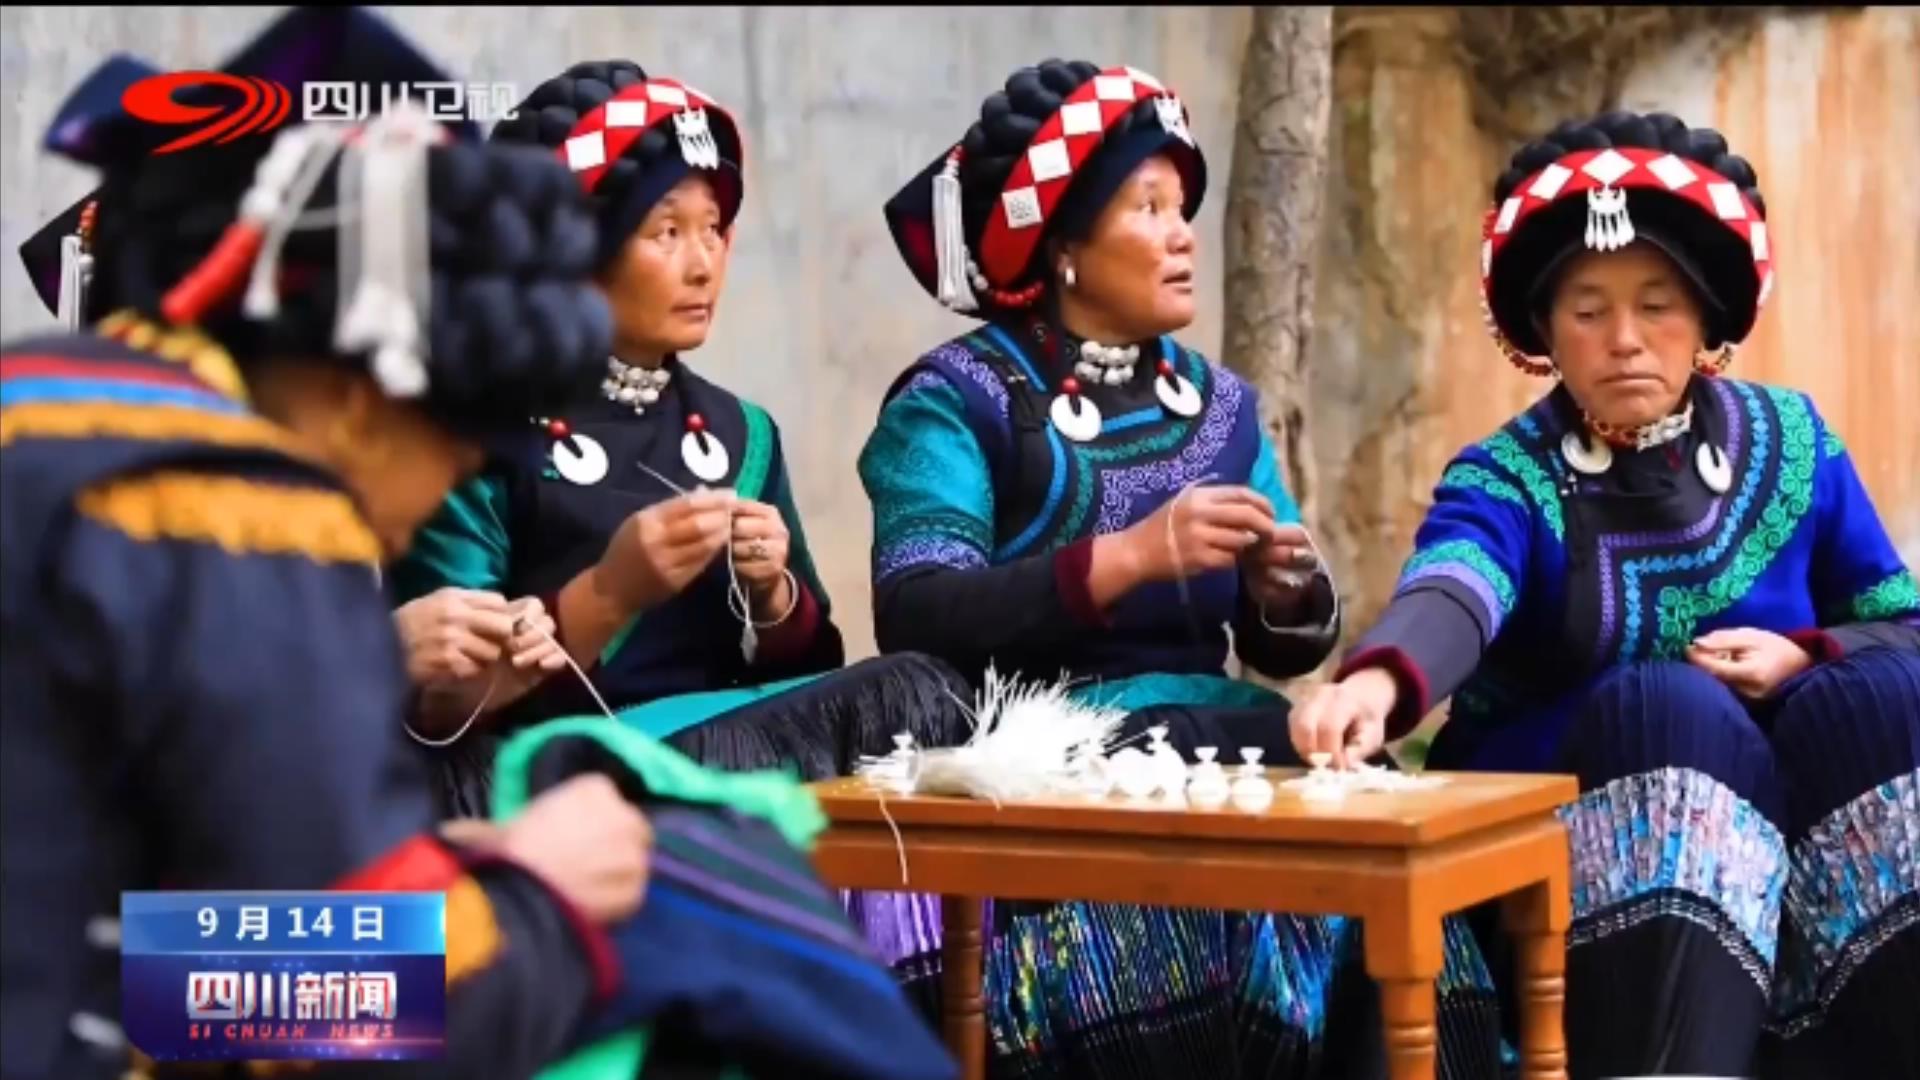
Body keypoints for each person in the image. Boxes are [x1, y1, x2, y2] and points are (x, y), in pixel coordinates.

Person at [4, 12, 952, 1080]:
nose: (458, 483)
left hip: (98, 983)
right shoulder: (239, 505)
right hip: (108, 1022)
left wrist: (444, 874)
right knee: (698, 893)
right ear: (364, 398)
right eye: (463, 445)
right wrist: (537, 894)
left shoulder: (46, 408)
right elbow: (332, 1012)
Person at [863, 58, 1503, 1079]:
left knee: (1370, 817)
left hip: (1224, 728)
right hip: (1049, 759)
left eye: (1183, 205)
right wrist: (1124, 559)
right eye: (1147, 206)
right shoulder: (961, 398)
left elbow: (1294, 632)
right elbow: (917, 606)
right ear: (1063, 247)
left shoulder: (1218, 403)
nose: (1181, 233)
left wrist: (1283, 593)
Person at [1290, 109, 1920, 1079]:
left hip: (1791, 845)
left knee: (1881, 697)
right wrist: (1383, 682)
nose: (1624, 340)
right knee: (1669, 707)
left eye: (1657, 304)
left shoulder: (1794, 442)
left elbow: (1900, 625)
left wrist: (1805, 656)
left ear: (1707, 316)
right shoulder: (1508, 476)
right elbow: (1459, 584)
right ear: (1544, 331)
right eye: (1588, 310)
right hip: (1569, 872)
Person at [386, 60, 972, 820]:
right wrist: (609, 592)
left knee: (920, 686)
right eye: (666, 231)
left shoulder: (741, 431)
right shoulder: (472, 434)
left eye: (715, 230)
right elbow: (437, 710)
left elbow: (810, 661)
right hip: (554, 774)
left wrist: (771, 594)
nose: (704, 264)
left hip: (732, 734)